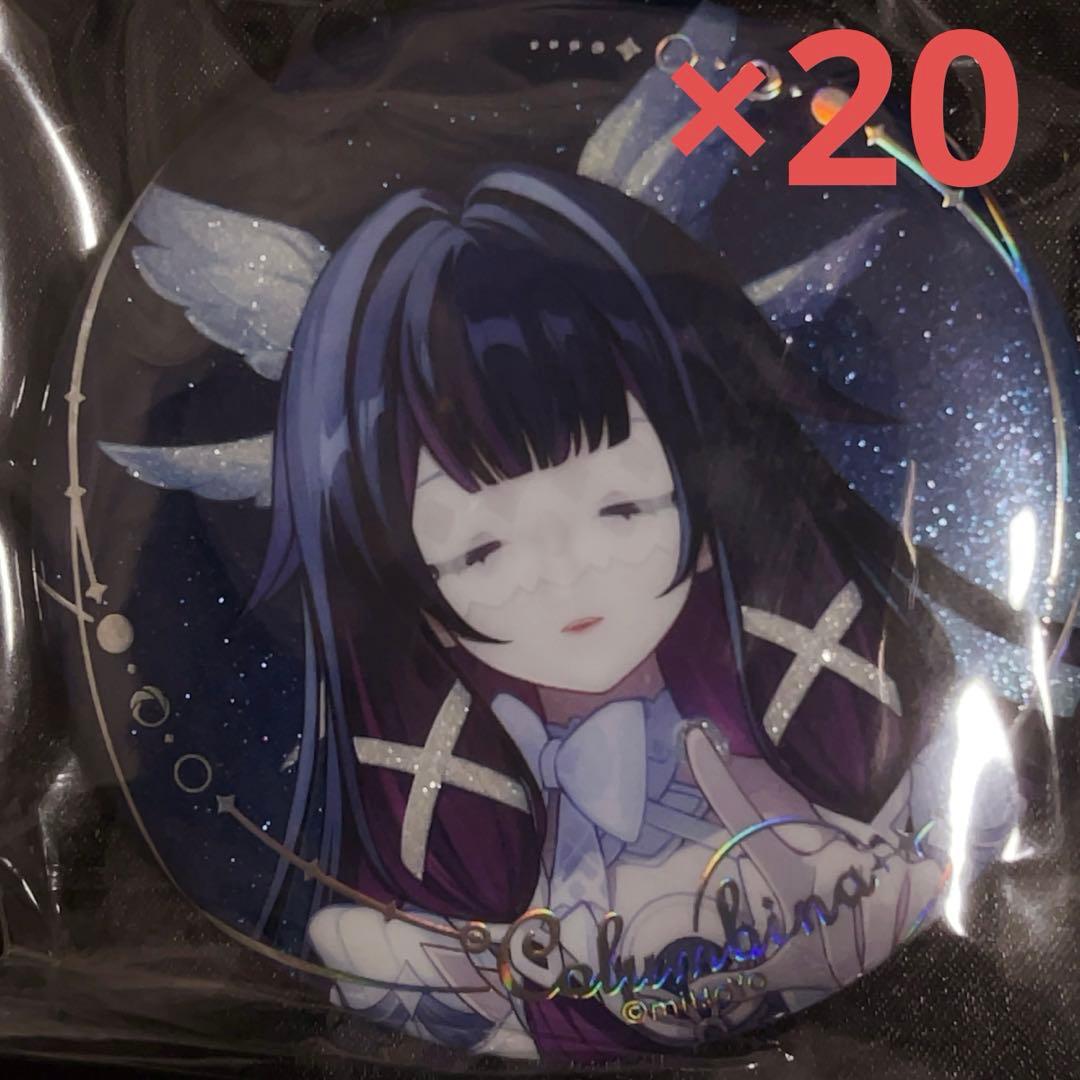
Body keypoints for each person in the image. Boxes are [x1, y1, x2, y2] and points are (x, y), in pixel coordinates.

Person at [246, 165, 978, 1059]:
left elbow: (946, 839)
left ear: (709, 503)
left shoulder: (808, 714)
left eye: (621, 509)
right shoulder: (450, 820)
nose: (565, 574)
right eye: (482, 551)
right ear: (406, 589)